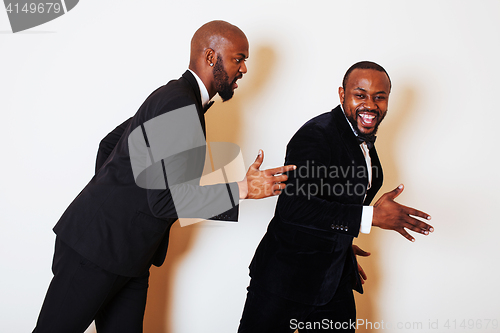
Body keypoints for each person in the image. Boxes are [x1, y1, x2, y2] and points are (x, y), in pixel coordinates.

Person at [32, 20, 295, 333]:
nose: (244, 69)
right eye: (239, 58)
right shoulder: (178, 102)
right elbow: (165, 200)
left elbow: (111, 144)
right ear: (212, 57)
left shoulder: (178, 98)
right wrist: (242, 188)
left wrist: (120, 206)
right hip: (95, 251)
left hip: (130, 256)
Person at [237, 61, 434, 332]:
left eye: (380, 97)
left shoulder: (362, 138)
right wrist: (371, 217)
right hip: (284, 280)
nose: (370, 105)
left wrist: (339, 246)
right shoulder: (316, 135)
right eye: (360, 95)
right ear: (342, 95)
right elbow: (295, 207)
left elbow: (333, 200)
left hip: (332, 279)